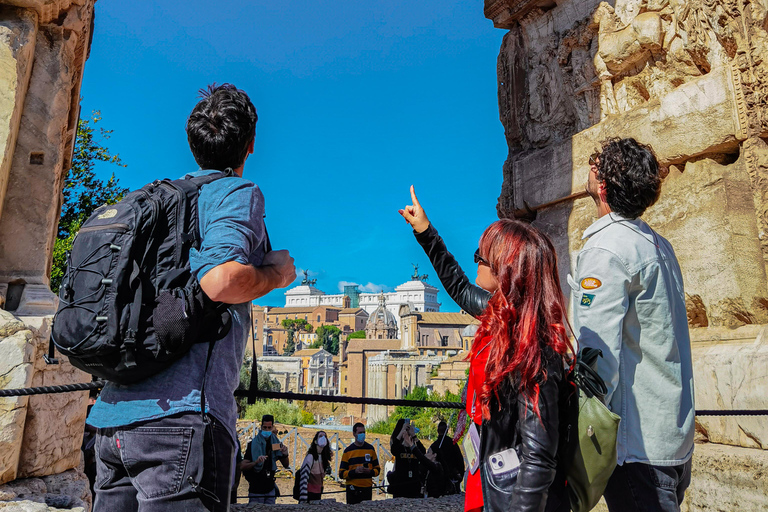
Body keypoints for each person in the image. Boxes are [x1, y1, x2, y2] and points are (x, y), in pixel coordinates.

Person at [86, 83, 296, 512]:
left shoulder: (156, 199)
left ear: (194, 143)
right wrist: (275, 275)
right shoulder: (237, 193)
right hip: (181, 423)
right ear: (251, 145)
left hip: (110, 425)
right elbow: (221, 280)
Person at [400, 192, 573, 512]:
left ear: (506, 269)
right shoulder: (499, 316)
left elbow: (538, 458)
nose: (475, 258)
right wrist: (425, 231)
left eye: (482, 255)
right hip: (491, 483)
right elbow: (459, 286)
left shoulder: (534, 351)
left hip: (513, 498)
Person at [574, 138, 695, 511]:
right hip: (671, 435)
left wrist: (578, 442)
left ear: (603, 184)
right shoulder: (657, 244)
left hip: (633, 446)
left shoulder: (606, 249)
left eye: (596, 165)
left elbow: (598, 358)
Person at [242, 414, 290, 504]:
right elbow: (243, 466)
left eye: (269, 427)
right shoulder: (253, 444)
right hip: (256, 489)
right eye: (264, 427)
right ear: (261, 427)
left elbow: (286, 465)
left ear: (272, 428)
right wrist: (256, 462)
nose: (267, 430)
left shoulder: (275, 444)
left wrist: (285, 454)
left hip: (270, 489)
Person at [339, 423, 380, 505]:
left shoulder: (370, 449)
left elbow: (377, 469)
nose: (362, 435)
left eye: (364, 432)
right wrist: (354, 472)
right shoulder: (348, 451)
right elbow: (341, 473)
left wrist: (369, 471)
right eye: (360, 433)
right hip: (353, 489)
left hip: (367, 489)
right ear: (354, 434)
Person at [388, 420, 426, 499]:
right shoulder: (400, 447)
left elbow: (423, 451)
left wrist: (414, 436)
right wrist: (402, 431)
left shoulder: (415, 448)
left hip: (414, 486)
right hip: (400, 486)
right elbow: (393, 449)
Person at [428, 421, 464, 495]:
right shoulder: (453, 444)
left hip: (439, 479)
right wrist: (460, 475)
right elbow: (460, 460)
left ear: (437, 431)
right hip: (453, 476)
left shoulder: (434, 446)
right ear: (447, 431)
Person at [296, 431, 332, 503]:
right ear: (315, 441)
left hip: (318, 492)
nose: (323, 438)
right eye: (320, 436)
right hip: (309, 493)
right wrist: (303, 499)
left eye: (325, 436)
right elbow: (304, 478)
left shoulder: (323, 458)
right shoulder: (310, 457)